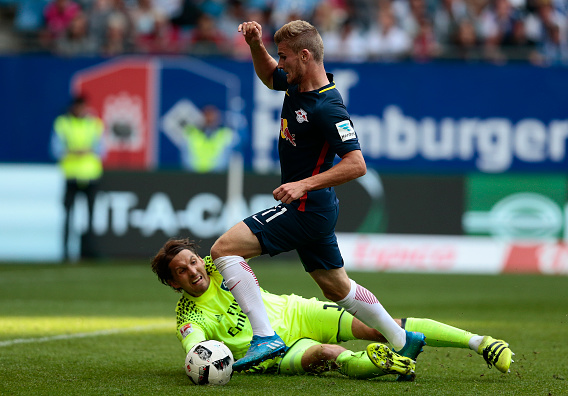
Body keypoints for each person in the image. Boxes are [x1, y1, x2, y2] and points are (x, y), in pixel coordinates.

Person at [210, 19, 426, 373]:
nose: (280, 64)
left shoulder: (328, 107)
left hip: (307, 206)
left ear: (305, 56)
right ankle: (403, 340)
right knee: (336, 287)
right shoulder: (295, 85)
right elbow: (269, 77)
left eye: (284, 57)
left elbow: (357, 165)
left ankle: (265, 336)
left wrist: (304, 184)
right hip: (316, 209)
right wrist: (255, 44)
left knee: (224, 249)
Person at [150, 238, 515, 380]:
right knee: (329, 355)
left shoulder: (217, 265)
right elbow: (194, 347)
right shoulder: (188, 315)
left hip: (296, 312)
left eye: (193, 261)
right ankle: (381, 364)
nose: (194, 271)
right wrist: (200, 360)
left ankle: (480, 342)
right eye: (182, 271)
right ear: (173, 284)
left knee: (381, 327)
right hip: (272, 353)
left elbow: (235, 248)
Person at [51, 95, 104, 261]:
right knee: (68, 215)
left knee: (90, 217)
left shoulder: (95, 124)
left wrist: (85, 151)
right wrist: (74, 152)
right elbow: (55, 149)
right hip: (72, 175)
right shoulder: (63, 124)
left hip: (90, 175)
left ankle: (87, 251)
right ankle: (66, 253)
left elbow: (102, 149)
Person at [182, 105, 234, 172]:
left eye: (212, 116)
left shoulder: (225, 133)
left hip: (218, 175)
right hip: (194, 174)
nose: (210, 119)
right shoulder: (191, 132)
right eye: (207, 115)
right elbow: (184, 155)